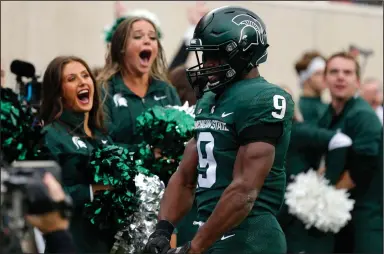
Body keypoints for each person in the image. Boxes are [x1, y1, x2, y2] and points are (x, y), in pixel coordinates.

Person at [144, 6, 295, 254]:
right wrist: (162, 230)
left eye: (216, 56)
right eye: (205, 54)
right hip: (211, 233)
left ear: (244, 53)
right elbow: (185, 177)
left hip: (250, 237)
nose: (207, 64)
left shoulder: (265, 99)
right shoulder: (209, 99)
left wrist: (194, 248)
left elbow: (244, 190)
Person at [40, 56, 114, 253]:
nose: (82, 81)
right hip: (71, 244)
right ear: (58, 92)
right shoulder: (51, 135)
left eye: (85, 75)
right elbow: (46, 196)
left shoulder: (102, 135)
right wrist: (92, 190)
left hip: (106, 244)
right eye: (71, 79)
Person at [318, 52, 383, 253]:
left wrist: (320, 198)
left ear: (357, 81)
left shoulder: (363, 116)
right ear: (324, 78)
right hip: (340, 221)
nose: (340, 77)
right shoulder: (328, 114)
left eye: (347, 72)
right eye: (334, 71)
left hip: (364, 222)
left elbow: (361, 169)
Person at [98, 15, 181, 148]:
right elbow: (102, 143)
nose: (147, 41)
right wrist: (147, 153)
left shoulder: (166, 90)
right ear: (121, 47)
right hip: (121, 168)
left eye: (152, 37)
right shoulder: (104, 90)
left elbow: (182, 135)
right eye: (138, 36)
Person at [294, 51, 328, 123]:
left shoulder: (327, 106)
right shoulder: (301, 108)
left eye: (325, 73)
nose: (325, 77)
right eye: (318, 73)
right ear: (306, 78)